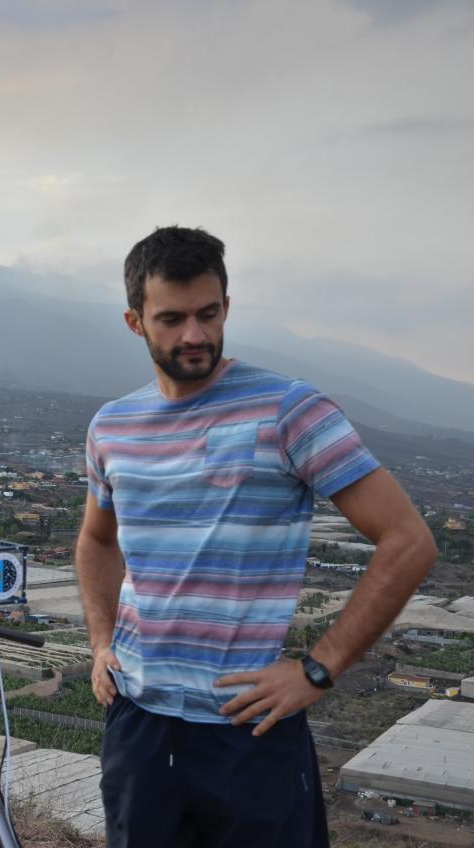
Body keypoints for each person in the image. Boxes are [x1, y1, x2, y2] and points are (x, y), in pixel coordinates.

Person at [75, 227, 436, 847]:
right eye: (172, 318)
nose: (195, 335)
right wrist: (101, 641)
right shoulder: (112, 425)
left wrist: (319, 670)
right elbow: (96, 541)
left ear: (227, 307)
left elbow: (407, 540)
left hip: (249, 728)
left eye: (208, 313)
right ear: (135, 322)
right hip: (138, 725)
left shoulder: (289, 410)